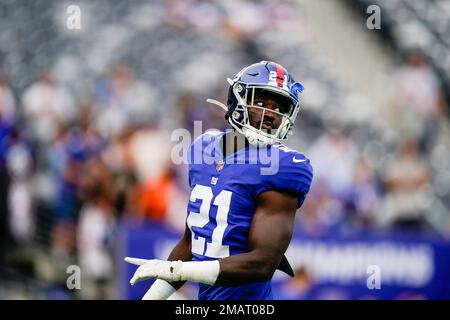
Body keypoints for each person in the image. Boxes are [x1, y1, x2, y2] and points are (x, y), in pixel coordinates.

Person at [125, 61, 313, 300]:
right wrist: (153, 296)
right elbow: (192, 242)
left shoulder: (282, 166)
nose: (271, 115)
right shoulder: (203, 147)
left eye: (279, 107)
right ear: (238, 100)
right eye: (261, 103)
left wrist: (179, 270)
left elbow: (262, 264)